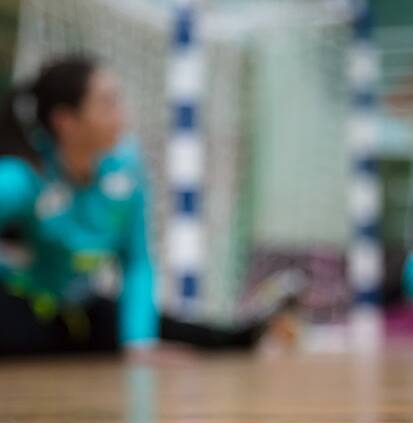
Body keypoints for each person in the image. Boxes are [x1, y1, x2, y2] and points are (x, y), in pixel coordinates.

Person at [0, 55, 295, 356]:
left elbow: (137, 261)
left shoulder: (124, 171)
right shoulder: (21, 177)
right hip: (20, 305)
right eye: (108, 104)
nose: (123, 116)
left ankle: (240, 337)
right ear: (66, 122)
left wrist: (138, 344)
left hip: (77, 307)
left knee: (160, 329)